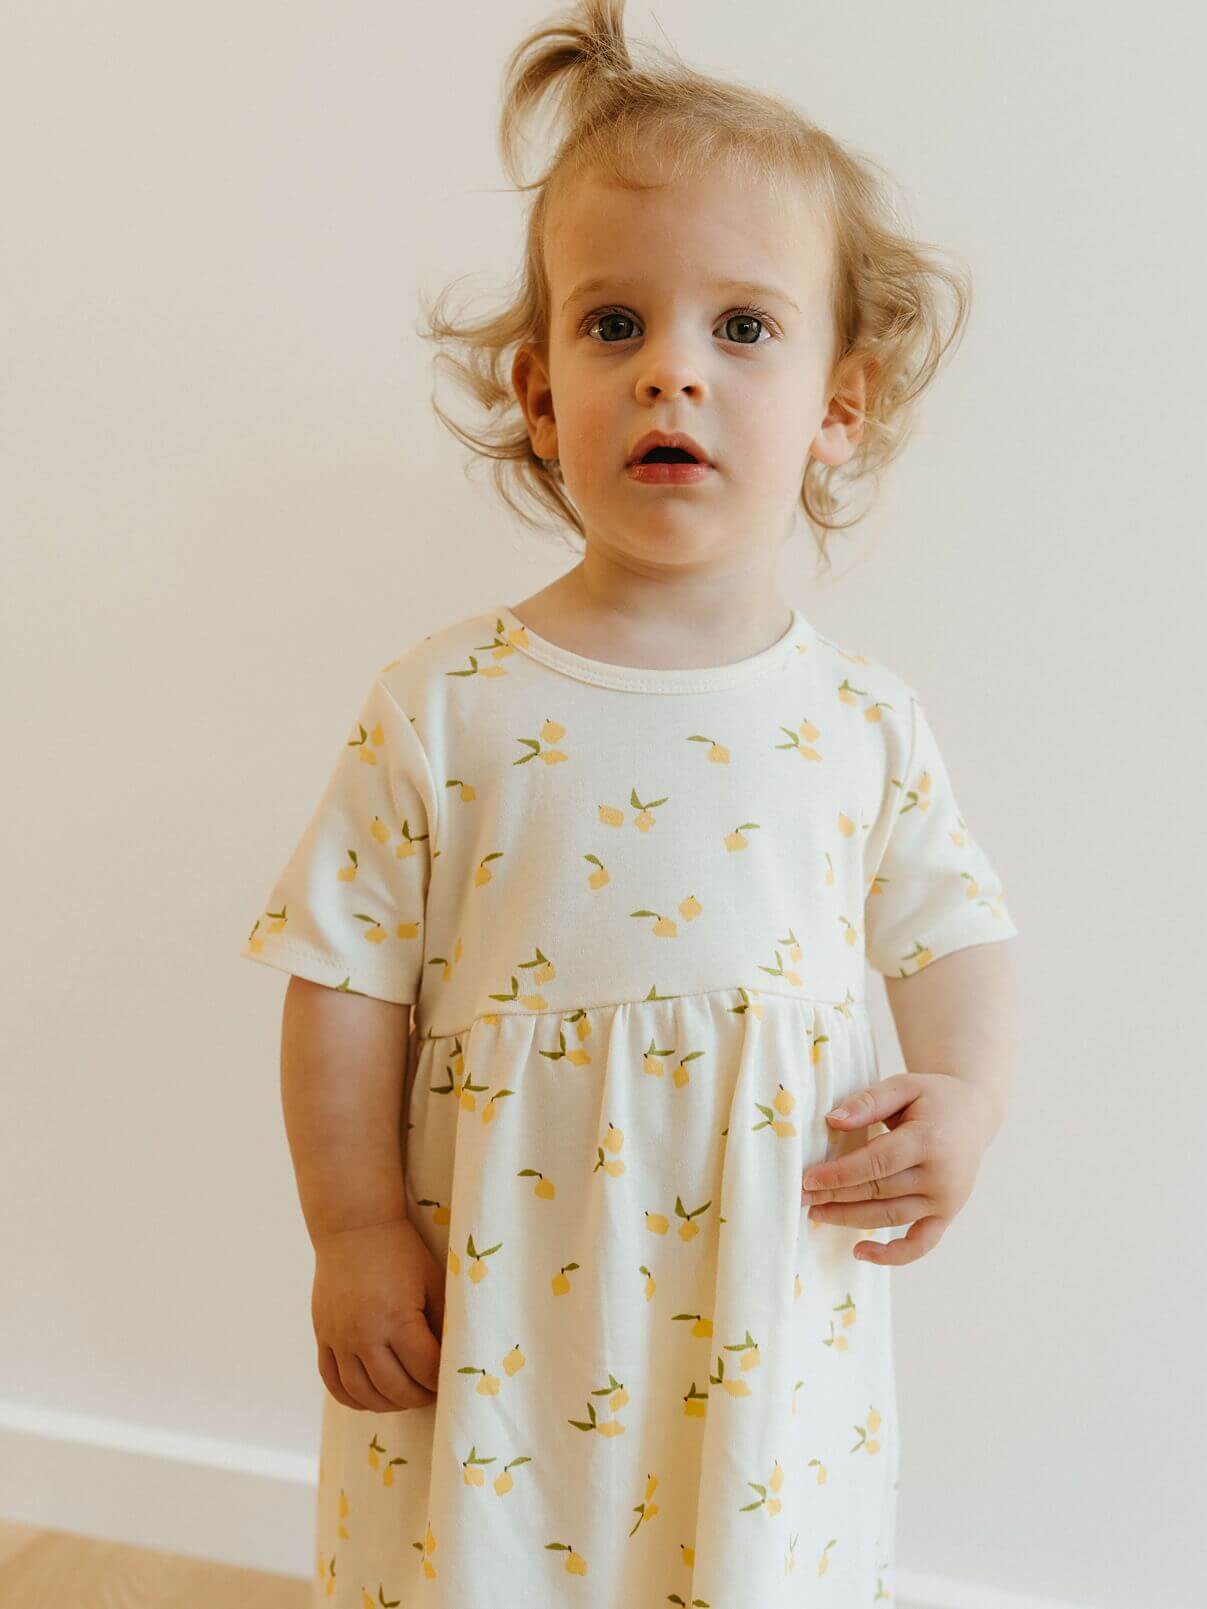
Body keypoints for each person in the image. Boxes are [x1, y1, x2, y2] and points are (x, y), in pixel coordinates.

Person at [238, 3, 1022, 1603]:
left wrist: (967, 1102)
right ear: (539, 396)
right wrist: (353, 1229)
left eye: (744, 327)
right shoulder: (449, 702)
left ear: (838, 404)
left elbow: (960, 939)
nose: (673, 366)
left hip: (761, 1309)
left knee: (749, 1561)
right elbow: (344, 981)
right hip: (504, 1296)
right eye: (616, 327)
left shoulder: (862, 721)